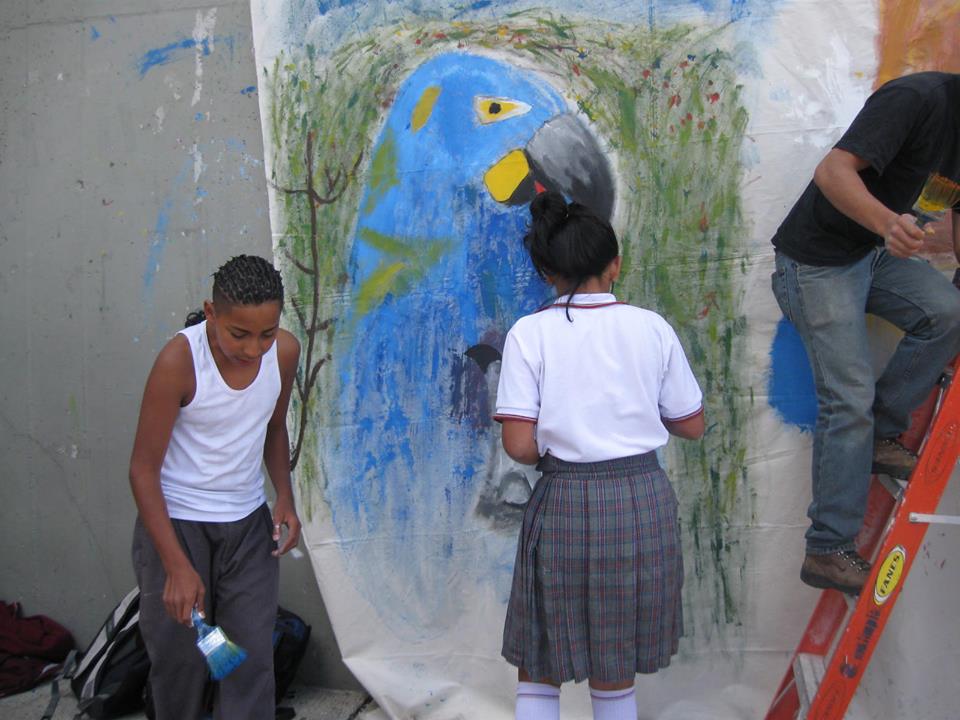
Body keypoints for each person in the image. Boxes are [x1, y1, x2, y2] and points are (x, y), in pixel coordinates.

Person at [494, 191, 705, 720]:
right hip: (640, 503)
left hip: (563, 500)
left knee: (541, 655)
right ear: (615, 264)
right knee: (615, 658)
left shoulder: (529, 333)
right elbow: (691, 424)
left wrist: (564, 432)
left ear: (547, 272)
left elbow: (518, 445)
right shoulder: (651, 327)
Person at [771, 71, 960, 596]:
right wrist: (887, 225)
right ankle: (827, 548)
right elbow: (832, 171)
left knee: (948, 313)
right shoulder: (916, 99)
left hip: (869, 256)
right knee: (848, 398)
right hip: (815, 264)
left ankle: (880, 435)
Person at [128, 254, 302, 720]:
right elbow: (142, 470)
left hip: (248, 527)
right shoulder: (179, 361)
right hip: (178, 526)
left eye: (266, 334)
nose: (253, 349)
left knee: (248, 660)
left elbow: (274, 427)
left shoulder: (284, 352)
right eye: (239, 334)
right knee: (180, 661)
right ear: (211, 312)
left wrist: (284, 497)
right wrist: (175, 566)